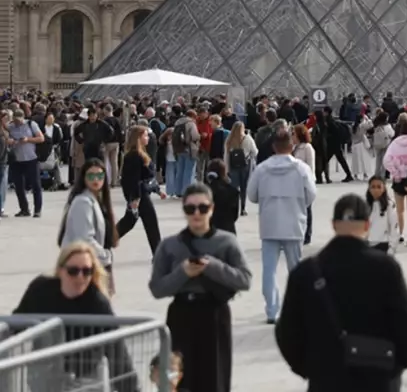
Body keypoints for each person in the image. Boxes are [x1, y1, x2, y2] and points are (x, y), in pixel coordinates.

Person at [276, 194, 407, 392]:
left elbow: (287, 332)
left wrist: (310, 369)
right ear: (367, 225)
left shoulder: (307, 272)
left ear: (334, 225)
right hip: (377, 378)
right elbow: (406, 323)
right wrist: (395, 366)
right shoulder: (385, 268)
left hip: (325, 380)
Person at [149, 183, 252, 392]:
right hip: (181, 315)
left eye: (202, 208)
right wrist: (183, 273)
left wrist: (212, 266)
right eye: (190, 209)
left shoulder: (226, 242)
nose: (197, 213)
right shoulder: (169, 245)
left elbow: (244, 279)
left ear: (211, 209)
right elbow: (157, 288)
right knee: (179, 380)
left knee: (214, 379)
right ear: (184, 211)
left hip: (214, 314)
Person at [14, 242, 138, 391]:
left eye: (87, 271)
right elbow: (15, 326)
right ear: (61, 270)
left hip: (84, 378)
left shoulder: (97, 303)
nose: (80, 277)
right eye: (73, 271)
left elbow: (118, 355)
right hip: (45, 375)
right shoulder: (40, 291)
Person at [248, 127, 318, 324]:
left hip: (269, 223)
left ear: (273, 147)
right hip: (294, 222)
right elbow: (311, 194)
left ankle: (272, 310)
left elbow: (252, 195)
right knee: (295, 270)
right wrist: (298, 204)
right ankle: (297, 308)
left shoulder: (262, 169)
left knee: (269, 270)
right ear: (291, 145)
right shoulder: (301, 168)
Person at [59, 158, 119, 291]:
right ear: (83, 178)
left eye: (100, 175)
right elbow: (85, 239)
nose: (96, 179)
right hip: (83, 268)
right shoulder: (83, 202)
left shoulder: (96, 200)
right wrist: (105, 256)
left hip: (93, 264)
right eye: (91, 175)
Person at [116, 124, 165, 253]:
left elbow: (146, 177)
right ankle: (158, 254)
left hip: (141, 193)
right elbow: (134, 179)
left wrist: (157, 190)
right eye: (145, 135)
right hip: (139, 195)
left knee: (129, 222)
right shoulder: (134, 156)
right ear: (138, 137)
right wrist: (135, 198)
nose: (148, 138)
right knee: (150, 224)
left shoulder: (140, 153)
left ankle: (106, 241)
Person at [383, 116, 407, 246]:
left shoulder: (395, 143)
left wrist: (395, 172)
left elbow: (386, 160)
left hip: (398, 179)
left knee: (400, 210)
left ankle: (400, 234)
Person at [8, 110, 45, 217]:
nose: (17, 123)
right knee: (19, 186)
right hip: (17, 160)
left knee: (36, 185)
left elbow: (41, 138)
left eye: (19, 120)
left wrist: (28, 139)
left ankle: (37, 210)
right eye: (15, 120)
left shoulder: (31, 124)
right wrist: (10, 141)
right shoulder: (10, 127)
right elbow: (6, 137)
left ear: (23, 118)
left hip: (31, 159)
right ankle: (24, 209)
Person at [224, 122, 257, 216]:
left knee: (234, 188)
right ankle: (243, 208)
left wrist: (227, 168)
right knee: (244, 187)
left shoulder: (229, 139)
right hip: (245, 166)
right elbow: (255, 152)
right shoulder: (248, 138)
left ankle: (233, 208)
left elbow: (226, 155)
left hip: (233, 166)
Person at [366, 175, 399, 253]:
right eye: (373, 187)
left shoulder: (389, 205)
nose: (376, 190)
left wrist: (392, 247)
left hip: (383, 243)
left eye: (379, 187)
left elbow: (394, 226)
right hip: (367, 243)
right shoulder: (364, 205)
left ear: (384, 188)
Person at [206, 160, 241, 235]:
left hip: (210, 230)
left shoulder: (205, 191)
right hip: (228, 230)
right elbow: (235, 215)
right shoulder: (233, 191)